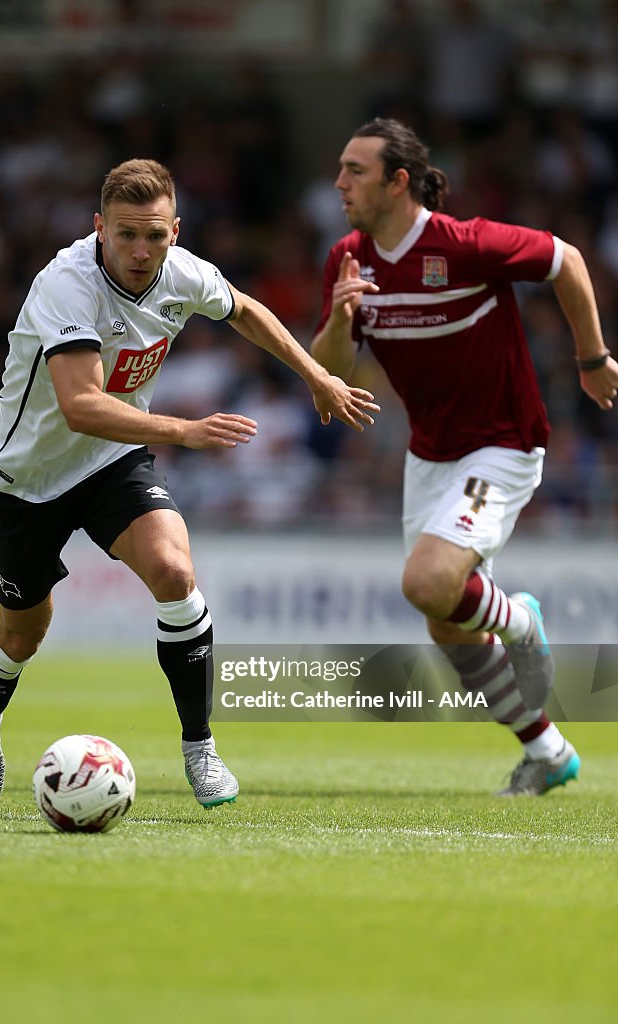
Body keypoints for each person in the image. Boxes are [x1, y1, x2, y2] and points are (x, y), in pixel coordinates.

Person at [0, 157, 380, 809]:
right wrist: (183, 432)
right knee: (22, 635)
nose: (140, 250)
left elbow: (244, 310)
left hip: (112, 460)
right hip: (28, 478)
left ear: (175, 231)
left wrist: (314, 375)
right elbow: (80, 404)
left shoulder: (181, 274)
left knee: (175, 574)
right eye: (126, 234)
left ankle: (200, 746)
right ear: (99, 228)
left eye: (155, 235)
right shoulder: (65, 287)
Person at [311, 118, 618, 797]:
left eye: (355, 170)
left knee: (426, 583)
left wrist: (591, 356)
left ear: (398, 181)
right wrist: (339, 318)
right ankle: (549, 750)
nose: (340, 182)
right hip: (432, 455)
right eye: (340, 168)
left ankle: (519, 619)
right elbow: (330, 383)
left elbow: (565, 259)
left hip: (504, 442)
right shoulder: (349, 261)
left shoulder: (466, 244)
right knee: (444, 622)